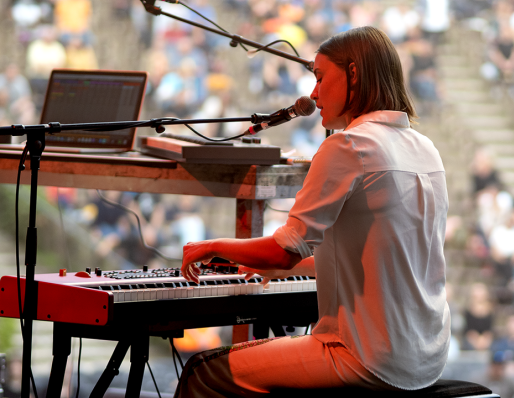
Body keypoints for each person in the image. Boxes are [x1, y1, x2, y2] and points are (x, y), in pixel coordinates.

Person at [175, 26, 450, 397]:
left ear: (353, 73)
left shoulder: (350, 145)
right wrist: (256, 263)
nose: (313, 93)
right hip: (426, 357)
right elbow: (374, 256)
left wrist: (210, 247)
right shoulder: (424, 148)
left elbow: (285, 251)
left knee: (202, 371)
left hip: (363, 357)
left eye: (320, 78)